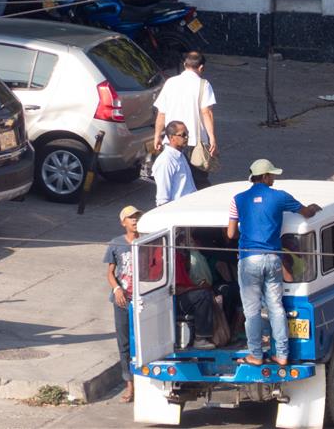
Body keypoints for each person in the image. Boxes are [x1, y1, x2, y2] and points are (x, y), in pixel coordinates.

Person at [226, 159, 322, 366]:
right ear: (266, 176)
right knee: (276, 307)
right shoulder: (280, 197)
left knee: (251, 310)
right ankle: (281, 354)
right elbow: (306, 212)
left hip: (249, 259)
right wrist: (314, 208)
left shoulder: (238, 199)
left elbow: (231, 233)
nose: (274, 179)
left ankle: (256, 355)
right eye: (272, 176)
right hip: (273, 259)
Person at [152, 51, 219, 189]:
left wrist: (157, 136)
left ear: (184, 65)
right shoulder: (203, 85)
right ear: (201, 68)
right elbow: (206, 112)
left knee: (175, 182)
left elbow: (161, 113)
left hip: (172, 141)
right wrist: (212, 137)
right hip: (194, 143)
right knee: (198, 182)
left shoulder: (170, 83)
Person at [103, 205, 143, 403]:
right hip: (122, 300)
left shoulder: (147, 242)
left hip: (143, 299)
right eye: (130, 218)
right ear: (123, 222)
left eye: (137, 217)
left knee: (143, 341)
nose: (134, 221)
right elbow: (110, 273)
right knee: (125, 342)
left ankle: (144, 384)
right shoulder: (116, 244)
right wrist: (117, 289)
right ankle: (129, 385)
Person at [174, 233, 216, 350]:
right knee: (203, 295)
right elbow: (177, 290)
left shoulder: (185, 258)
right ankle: (200, 338)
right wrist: (198, 288)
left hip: (185, 296)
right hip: (175, 301)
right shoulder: (175, 259)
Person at [151, 121, 196, 206]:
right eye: (183, 135)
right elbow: (162, 199)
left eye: (187, 134)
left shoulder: (180, 155)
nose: (186, 137)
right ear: (172, 138)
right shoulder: (166, 161)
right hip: (179, 211)